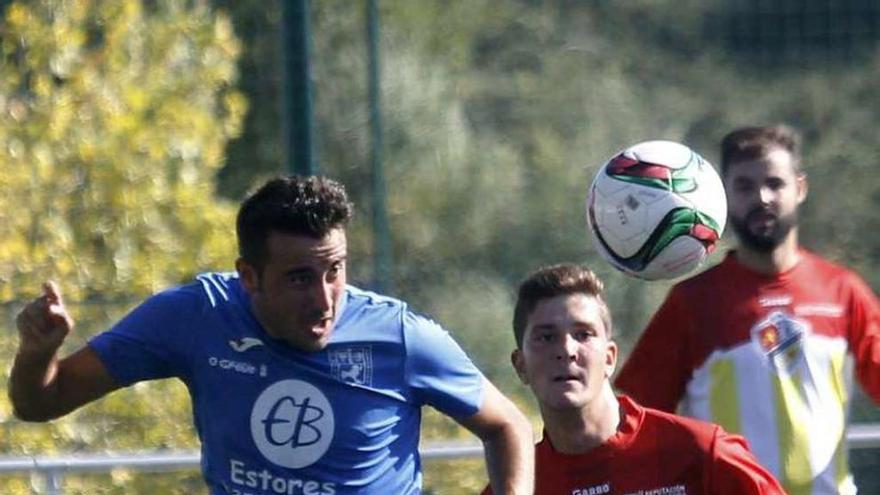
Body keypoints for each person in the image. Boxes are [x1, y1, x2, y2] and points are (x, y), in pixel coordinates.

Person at [9, 175, 534, 495]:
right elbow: (41, 402)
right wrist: (37, 355)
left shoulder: (400, 336)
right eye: (301, 278)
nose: (325, 299)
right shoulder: (194, 318)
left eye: (336, 271)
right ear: (250, 275)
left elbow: (507, 424)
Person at [615, 125, 880, 495]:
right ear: (723, 195)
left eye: (775, 183)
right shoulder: (693, 302)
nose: (762, 197)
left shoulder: (842, 290)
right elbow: (631, 419)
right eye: (744, 186)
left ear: (800, 188)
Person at [483, 263, 786, 494]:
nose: (566, 350)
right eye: (546, 337)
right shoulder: (515, 484)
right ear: (520, 365)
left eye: (583, 334)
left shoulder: (700, 451)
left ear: (610, 358)